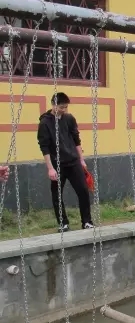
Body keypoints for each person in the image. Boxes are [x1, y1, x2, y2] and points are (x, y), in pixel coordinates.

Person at [37, 92, 93, 232]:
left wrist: (81, 160)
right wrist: (50, 168)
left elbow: (76, 140)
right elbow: (44, 147)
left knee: (83, 191)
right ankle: (63, 223)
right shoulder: (44, 123)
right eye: (62, 107)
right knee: (57, 195)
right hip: (57, 165)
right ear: (53, 105)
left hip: (73, 162)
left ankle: (86, 221)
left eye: (66, 107)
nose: (64, 110)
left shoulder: (69, 119)